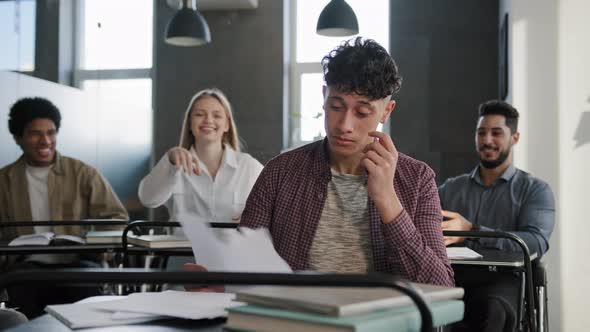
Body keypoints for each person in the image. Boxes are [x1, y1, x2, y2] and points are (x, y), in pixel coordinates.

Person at [228, 37, 451, 286]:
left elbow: (440, 286)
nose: (344, 125)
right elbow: (242, 265)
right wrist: (217, 278)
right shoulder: (281, 172)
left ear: (386, 112)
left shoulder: (417, 179)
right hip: (296, 317)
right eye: (336, 106)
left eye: (362, 112)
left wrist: (387, 200)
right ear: (324, 96)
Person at [0, 97, 129, 317]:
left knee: (85, 288)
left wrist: (96, 247)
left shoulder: (83, 173)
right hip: (26, 268)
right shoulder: (4, 181)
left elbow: (116, 219)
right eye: (35, 133)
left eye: (51, 132)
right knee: (23, 293)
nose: (45, 141)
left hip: (77, 262)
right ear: (17, 138)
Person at [438, 100, 556, 332]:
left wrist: (471, 231)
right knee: (419, 301)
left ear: (515, 137)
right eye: (481, 133)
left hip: (504, 280)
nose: (487, 140)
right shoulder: (450, 189)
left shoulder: (535, 190)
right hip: (453, 277)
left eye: (496, 133)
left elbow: (536, 243)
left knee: (493, 309)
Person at [138, 88, 263, 224]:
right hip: (182, 245)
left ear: (227, 125)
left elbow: (279, 206)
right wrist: (170, 162)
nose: (208, 120)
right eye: (199, 114)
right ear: (190, 124)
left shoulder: (248, 166)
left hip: (234, 245)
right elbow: (148, 199)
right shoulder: (174, 164)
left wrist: (259, 217)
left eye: (217, 115)